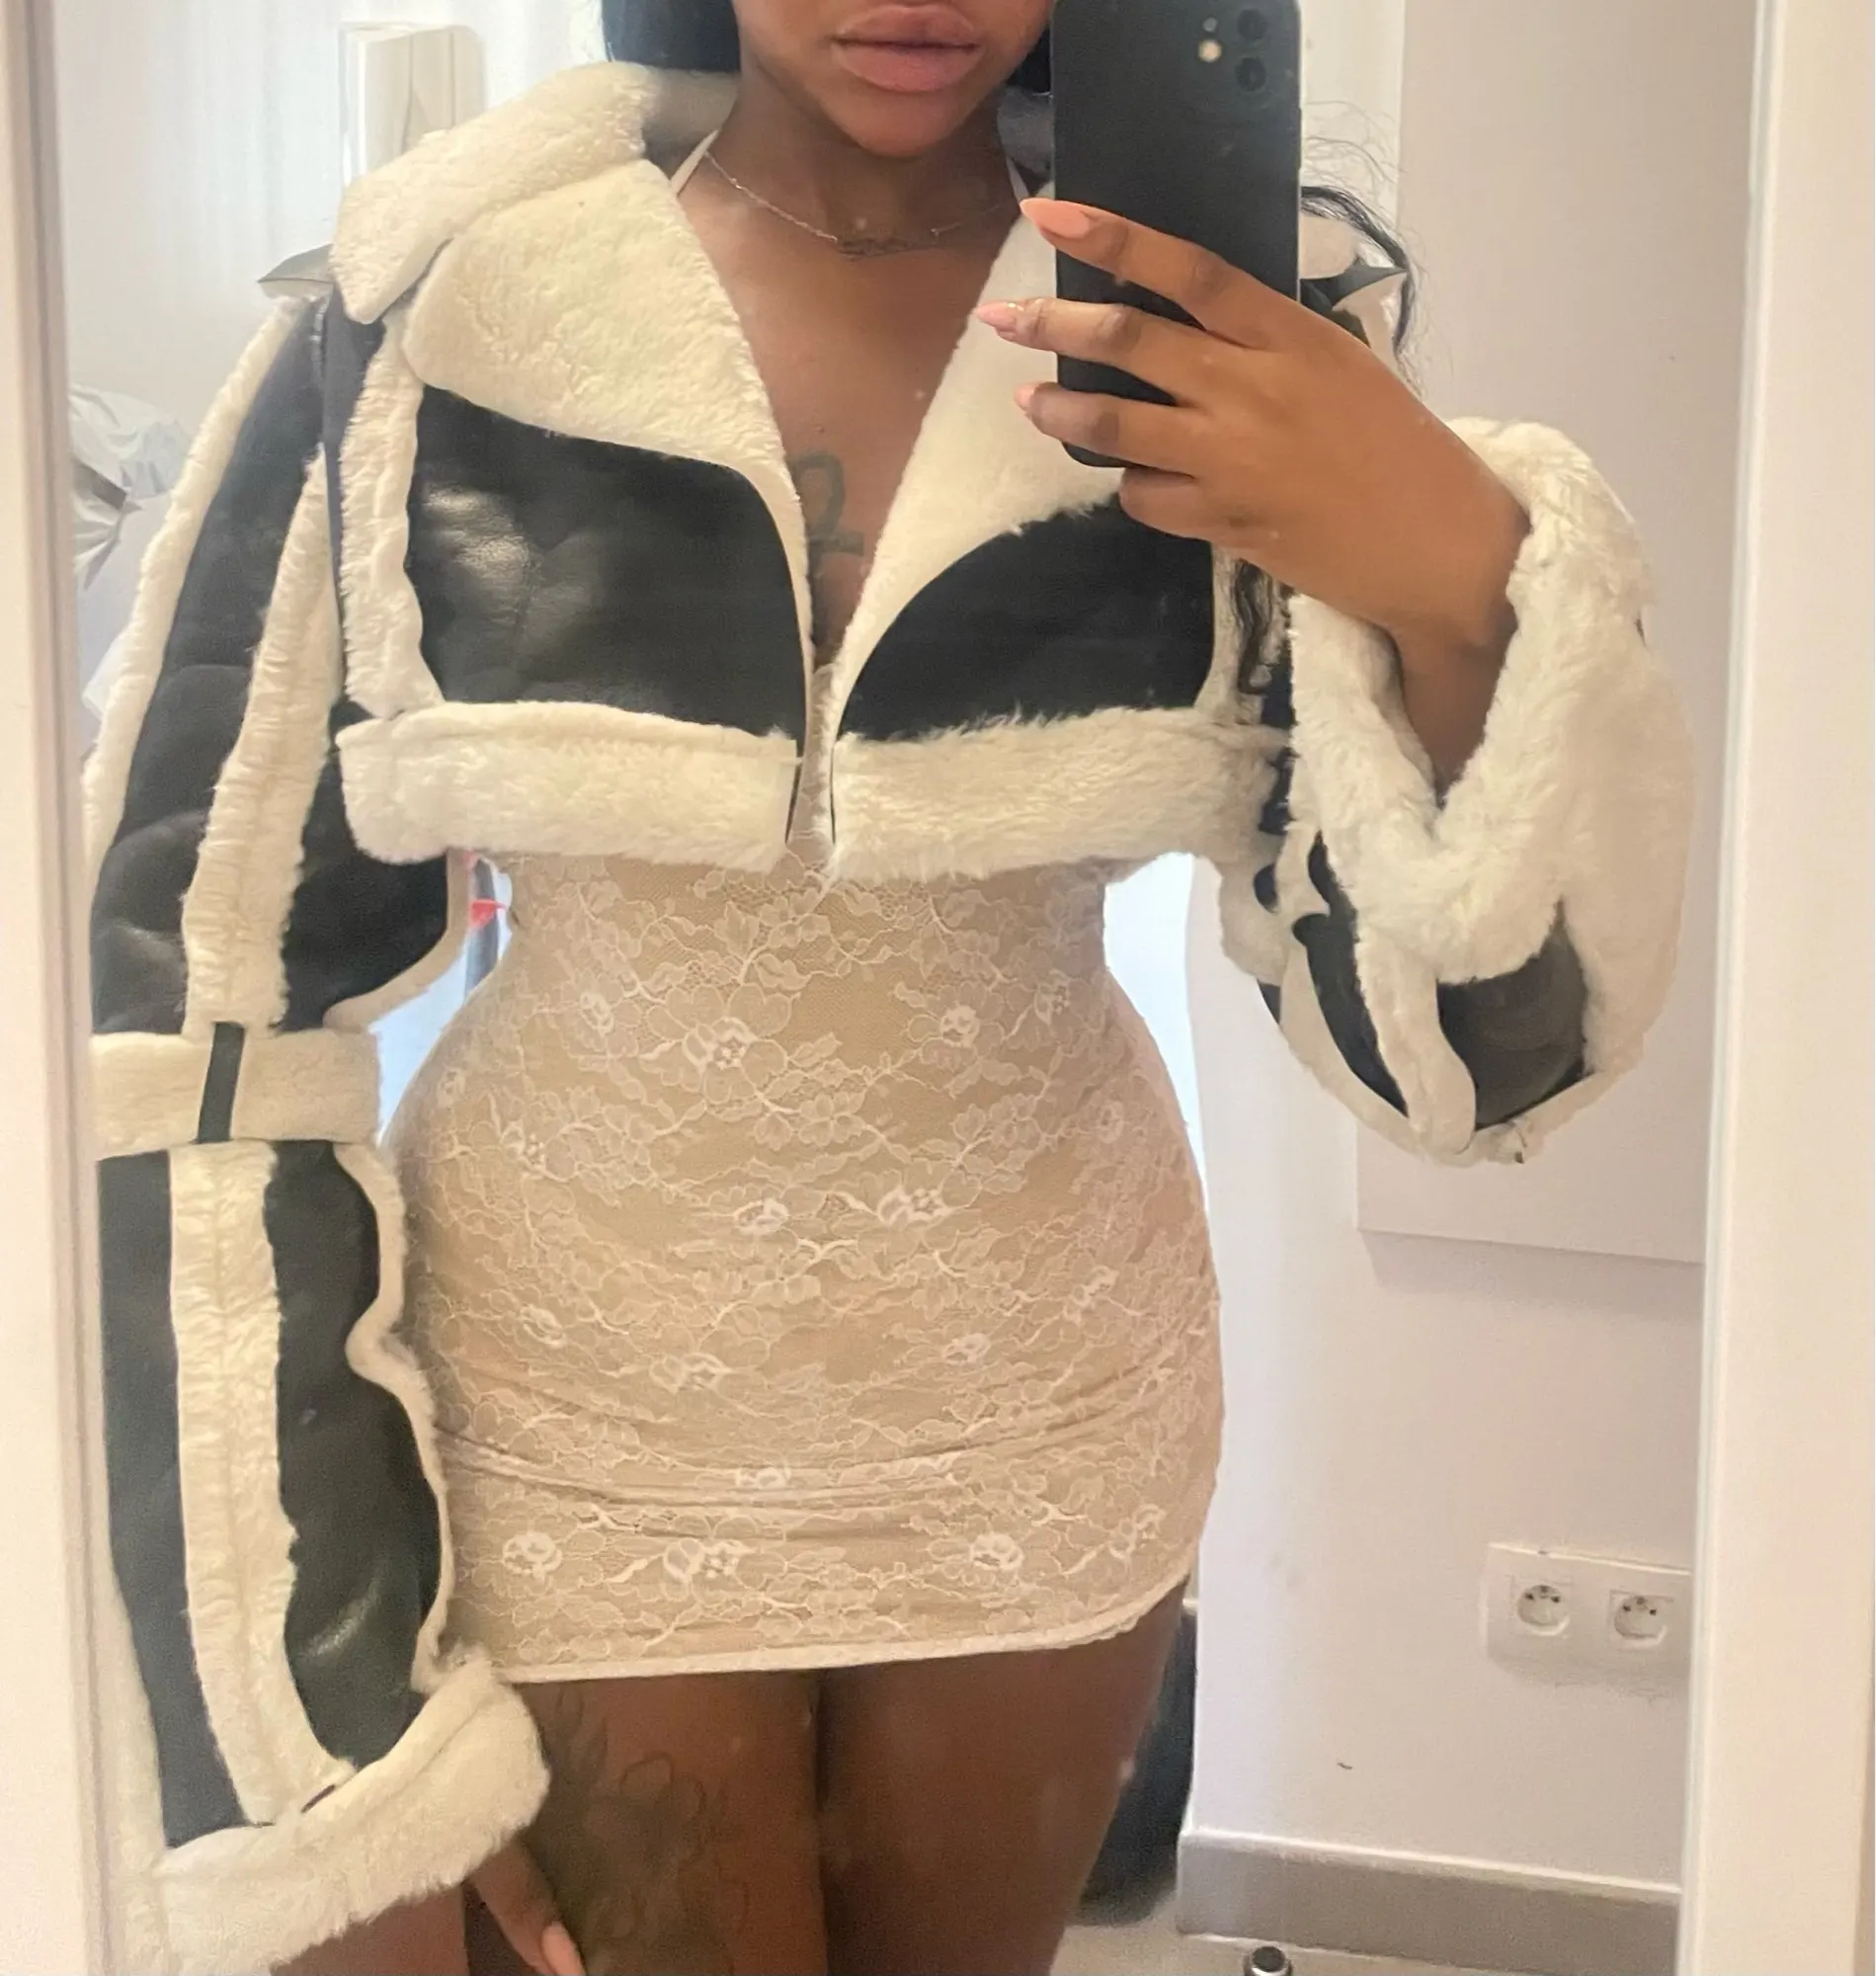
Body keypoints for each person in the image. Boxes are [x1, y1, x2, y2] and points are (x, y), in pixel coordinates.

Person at [83, 2, 1692, 1972]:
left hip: (1052, 1405)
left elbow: (1470, 1063)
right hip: (566, 1414)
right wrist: (313, 1744)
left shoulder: (1226, 331)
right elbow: (185, 1022)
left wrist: (1457, 575)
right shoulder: (436, 313)